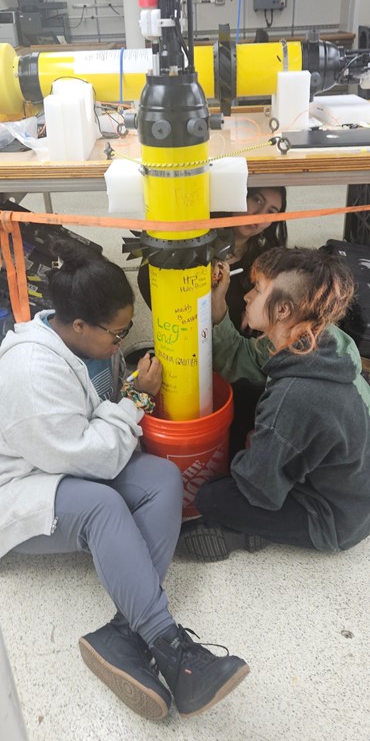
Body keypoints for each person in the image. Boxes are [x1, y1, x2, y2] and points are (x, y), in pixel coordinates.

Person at [0, 239, 249, 721]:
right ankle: (171, 647)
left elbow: (96, 426)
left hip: (59, 463)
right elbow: (92, 461)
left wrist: (129, 391)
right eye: (116, 336)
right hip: (18, 489)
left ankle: (122, 633)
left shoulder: (82, 342)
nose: (121, 343)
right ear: (77, 324)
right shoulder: (31, 374)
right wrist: (137, 402)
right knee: (102, 507)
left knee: (161, 476)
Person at [177, 247, 370, 561]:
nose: (248, 297)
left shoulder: (294, 395)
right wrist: (218, 310)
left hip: (335, 518)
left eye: (258, 289)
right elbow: (244, 360)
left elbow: (258, 487)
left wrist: (254, 447)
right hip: (352, 486)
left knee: (213, 496)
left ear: (283, 311)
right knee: (247, 408)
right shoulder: (320, 341)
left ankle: (246, 532)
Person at [137, 185, 288, 332]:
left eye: (271, 211)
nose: (260, 215)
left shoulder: (268, 263)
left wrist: (262, 315)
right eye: (257, 200)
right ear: (237, 196)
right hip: (182, 341)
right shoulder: (190, 240)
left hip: (234, 349)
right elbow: (147, 277)